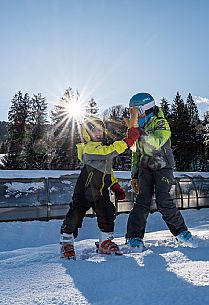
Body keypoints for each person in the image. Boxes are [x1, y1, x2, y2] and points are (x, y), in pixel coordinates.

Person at [60, 116, 140, 259]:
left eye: (100, 130)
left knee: (108, 212)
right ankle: (67, 243)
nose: (99, 133)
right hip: (84, 190)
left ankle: (105, 242)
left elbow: (108, 172)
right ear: (87, 133)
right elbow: (108, 152)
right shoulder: (89, 148)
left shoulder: (103, 149)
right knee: (75, 215)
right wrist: (126, 142)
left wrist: (115, 186)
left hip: (100, 191)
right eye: (95, 131)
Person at [125, 92, 192, 250]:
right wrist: (134, 175)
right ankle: (134, 237)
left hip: (163, 167)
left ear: (146, 109)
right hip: (145, 168)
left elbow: (154, 143)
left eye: (136, 112)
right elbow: (136, 153)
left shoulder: (161, 123)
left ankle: (181, 233)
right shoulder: (137, 128)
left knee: (163, 200)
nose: (134, 116)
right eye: (131, 112)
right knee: (142, 202)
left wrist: (137, 132)